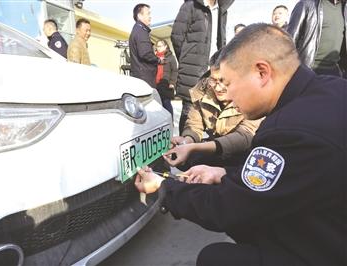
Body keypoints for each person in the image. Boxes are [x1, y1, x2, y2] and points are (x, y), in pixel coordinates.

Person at [135, 23, 346, 266]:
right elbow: (295, 175)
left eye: (229, 82)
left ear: (262, 73)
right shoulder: (331, 90)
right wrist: (225, 174)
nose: (228, 93)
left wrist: (164, 187)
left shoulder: (290, 130)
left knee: (215, 258)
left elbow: (228, 208)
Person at [164, 58, 260, 170]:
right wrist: (188, 140)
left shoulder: (254, 95)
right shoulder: (203, 91)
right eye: (213, 80)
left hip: (246, 156)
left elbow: (245, 136)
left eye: (224, 81)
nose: (218, 88)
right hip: (217, 149)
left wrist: (195, 147)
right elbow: (194, 123)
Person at [171, 0, 234, 134]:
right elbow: (177, 36)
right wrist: (187, 60)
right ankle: (184, 148)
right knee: (189, 111)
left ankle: (208, 149)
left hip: (214, 71)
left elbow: (221, 40)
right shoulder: (191, 6)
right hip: (192, 69)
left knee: (213, 111)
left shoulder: (221, 10)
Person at [287, 0, 347, 77]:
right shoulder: (306, 4)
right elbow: (289, 41)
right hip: (309, 71)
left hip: (335, 72)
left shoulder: (344, 9)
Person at [129, 3, 162, 88]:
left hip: (142, 76)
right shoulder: (141, 31)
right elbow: (145, 54)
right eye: (148, 14)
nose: (150, 17)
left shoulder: (138, 29)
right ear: (139, 16)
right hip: (145, 78)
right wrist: (158, 60)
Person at [155, 39, 178, 117]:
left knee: (166, 103)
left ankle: (170, 121)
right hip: (155, 84)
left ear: (165, 46)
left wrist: (172, 83)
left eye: (160, 46)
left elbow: (175, 70)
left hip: (166, 83)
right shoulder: (154, 57)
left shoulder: (170, 57)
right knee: (157, 104)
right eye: (157, 46)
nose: (158, 48)